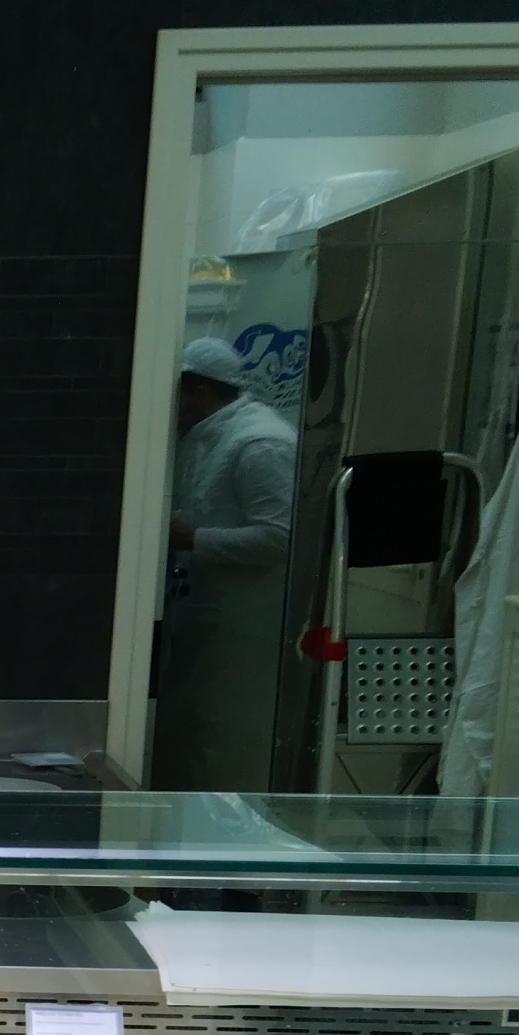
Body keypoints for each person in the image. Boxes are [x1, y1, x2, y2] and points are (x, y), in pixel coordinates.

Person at [150, 337, 300, 789]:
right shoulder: (208, 435)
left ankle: (228, 829)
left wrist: (189, 538)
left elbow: (281, 538)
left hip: (245, 626)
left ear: (198, 389)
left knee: (224, 738)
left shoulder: (261, 444)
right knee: (193, 731)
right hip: (206, 617)